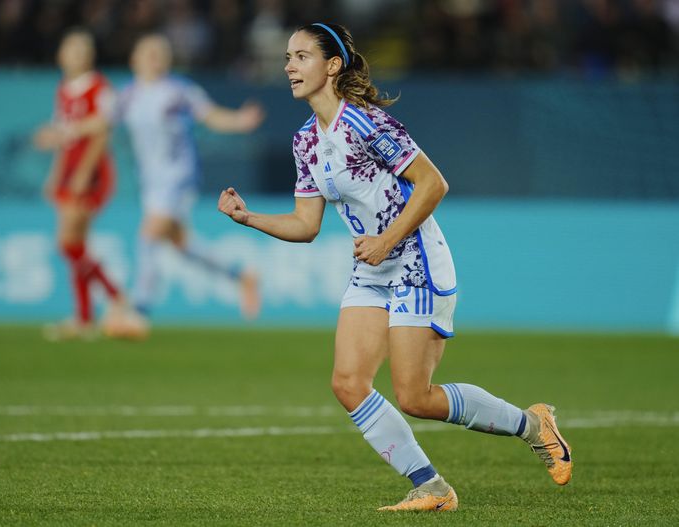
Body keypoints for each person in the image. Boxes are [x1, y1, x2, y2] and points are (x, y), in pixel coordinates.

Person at [218, 23, 572, 512]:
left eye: (301, 56)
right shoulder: (306, 141)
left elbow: (433, 184)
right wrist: (248, 217)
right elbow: (306, 224)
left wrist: (387, 239)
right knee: (347, 383)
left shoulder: (366, 123)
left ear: (333, 65)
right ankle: (431, 487)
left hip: (414, 261)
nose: (289, 66)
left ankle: (533, 425)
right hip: (373, 267)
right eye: (287, 57)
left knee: (415, 397)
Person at [116, 34, 264, 320]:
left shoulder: (178, 91)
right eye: (148, 52)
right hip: (150, 182)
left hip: (178, 176)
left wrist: (239, 120)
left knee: (149, 232)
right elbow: (101, 121)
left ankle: (139, 310)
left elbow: (209, 115)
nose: (155, 57)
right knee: (181, 244)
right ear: (134, 58)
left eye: (160, 52)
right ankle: (242, 276)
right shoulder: (126, 95)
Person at [33, 28, 145, 340]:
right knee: (76, 246)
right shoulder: (64, 90)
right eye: (71, 49)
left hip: (90, 173)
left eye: (82, 50)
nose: (77, 55)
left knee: (68, 242)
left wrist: (84, 172)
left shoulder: (99, 87)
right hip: (69, 170)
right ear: (60, 55)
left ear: (90, 56)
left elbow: (103, 131)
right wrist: (55, 174)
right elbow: (65, 137)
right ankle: (84, 318)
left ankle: (114, 297)